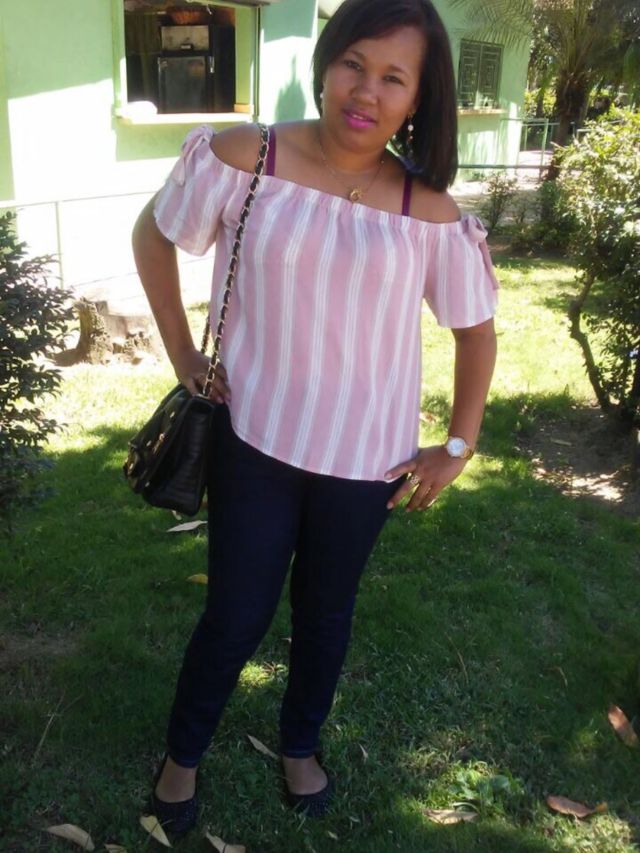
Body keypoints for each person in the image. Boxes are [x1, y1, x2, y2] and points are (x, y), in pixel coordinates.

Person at [132, 0, 498, 836]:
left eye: (394, 78)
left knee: (326, 615)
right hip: (256, 440)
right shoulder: (246, 157)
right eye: (354, 64)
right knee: (235, 614)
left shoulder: (428, 210)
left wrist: (457, 443)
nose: (367, 91)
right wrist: (184, 353)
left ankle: (300, 744)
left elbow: (476, 331)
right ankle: (182, 756)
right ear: (325, 64)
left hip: (366, 461)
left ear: (418, 98)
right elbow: (153, 237)